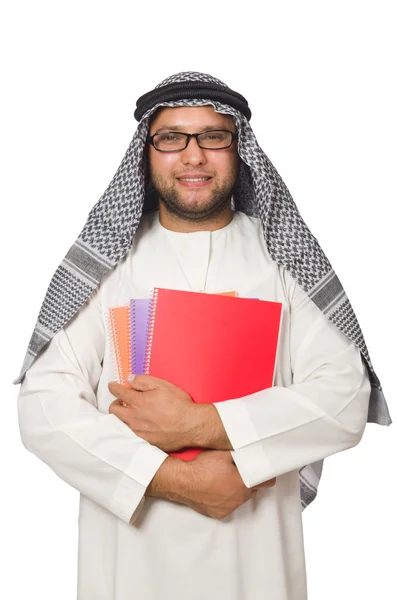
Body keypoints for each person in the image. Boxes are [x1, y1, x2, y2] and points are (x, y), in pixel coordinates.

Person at [16, 72, 391, 600]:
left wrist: (197, 422)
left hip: (256, 559)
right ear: (147, 152)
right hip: (129, 565)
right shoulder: (107, 267)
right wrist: (175, 479)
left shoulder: (284, 262)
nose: (193, 156)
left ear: (239, 150)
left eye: (213, 136)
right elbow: (42, 407)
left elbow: (345, 398)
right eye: (171, 137)